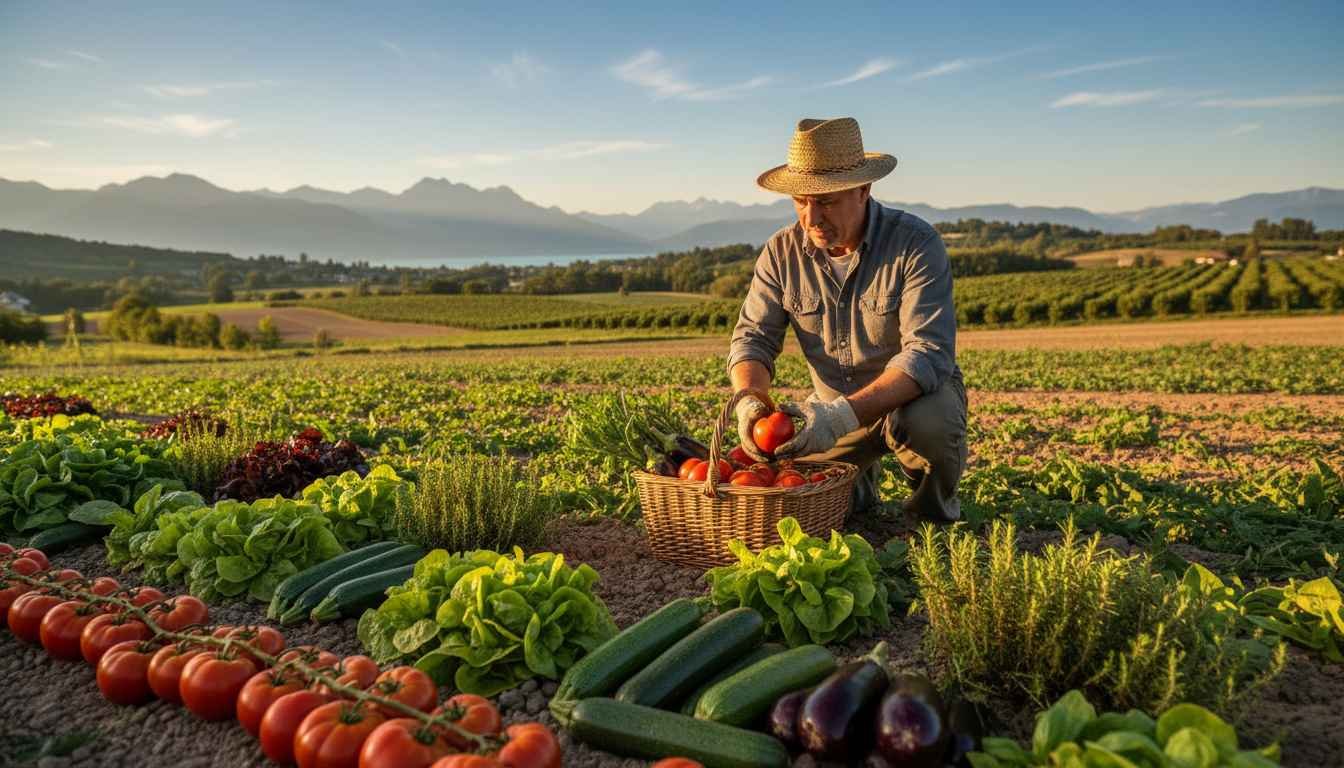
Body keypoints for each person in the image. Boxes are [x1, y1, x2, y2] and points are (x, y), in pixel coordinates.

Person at [727, 117, 967, 523]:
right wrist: (749, 399)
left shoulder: (915, 244)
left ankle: (930, 518)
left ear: (863, 189)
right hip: (831, 411)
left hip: (908, 401)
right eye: (801, 201)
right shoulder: (780, 253)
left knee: (931, 422)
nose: (811, 218)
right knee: (811, 502)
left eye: (827, 201)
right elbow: (753, 339)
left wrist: (842, 417)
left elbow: (928, 352)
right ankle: (859, 488)